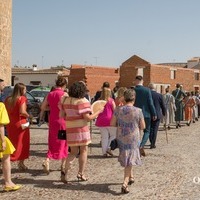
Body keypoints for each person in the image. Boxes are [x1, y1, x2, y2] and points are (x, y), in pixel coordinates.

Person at [60, 81, 103, 183]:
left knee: (73, 152)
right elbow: (88, 118)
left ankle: (65, 172)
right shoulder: (82, 101)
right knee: (83, 151)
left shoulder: (65, 100)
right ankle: (81, 173)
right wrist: (98, 112)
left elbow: (62, 115)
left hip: (70, 128)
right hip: (81, 129)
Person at [110, 89, 145, 194]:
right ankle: (125, 183)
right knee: (129, 160)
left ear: (124, 98)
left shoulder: (118, 110)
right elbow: (143, 126)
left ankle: (131, 176)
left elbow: (112, 123)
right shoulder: (138, 111)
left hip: (121, 137)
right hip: (133, 138)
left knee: (128, 158)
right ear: (134, 98)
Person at [40, 77, 68, 174]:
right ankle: (63, 165)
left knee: (52, 142)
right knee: (63, 142)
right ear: (64, 85)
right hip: (63, 122)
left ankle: (47, 160)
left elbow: (43, 107)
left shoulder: (50, 94)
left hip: (52, 122)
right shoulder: (64, 95)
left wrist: (52, 108)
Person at [5, 83, 30, 170]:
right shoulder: (22, 98)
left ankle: (6, 162)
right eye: (25, 89)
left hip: (10, 123)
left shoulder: (8, 99)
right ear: (21, 90)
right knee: (22, 143)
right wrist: (29, 116)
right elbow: (22, 111)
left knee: (12, 143)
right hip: (20, 123)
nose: (26, 91)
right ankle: (21, 163)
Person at [0, 102, 21, 192]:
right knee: (5, 159)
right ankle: (8, 182)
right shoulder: (0, 106)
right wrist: (3, 140)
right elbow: (1, 125)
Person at [133, 76, 157, 156]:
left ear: (136, 81)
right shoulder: (147, 90)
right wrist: (154, 113)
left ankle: (137, 146)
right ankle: (141, 145)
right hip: (146, 113)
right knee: (147, 131)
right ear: (142, 81)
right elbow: (150, 103)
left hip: (135, 113)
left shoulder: (133, 90)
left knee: (137, 131)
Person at [95, 87, 116, 157]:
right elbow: (115, 110)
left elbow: (95, 109)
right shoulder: (111, 101)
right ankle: (108, 147)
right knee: (114, 134)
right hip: (110, 120)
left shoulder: (99, 101)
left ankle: (104, 152)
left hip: (100, 120)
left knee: (104, 137)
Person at [148, 83, 166, 149]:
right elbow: (163, 105)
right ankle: (153, 143)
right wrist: (164, 113)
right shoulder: (159, 95)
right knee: (155, 129)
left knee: (150, 129)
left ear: (149, 88)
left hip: (149, 114)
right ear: (155, 88)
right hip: (157, 114)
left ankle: (151, 141)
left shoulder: (147, 95)